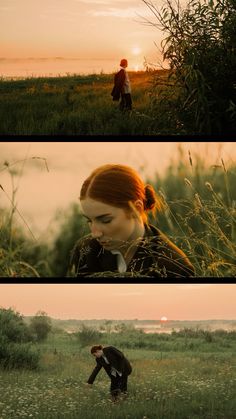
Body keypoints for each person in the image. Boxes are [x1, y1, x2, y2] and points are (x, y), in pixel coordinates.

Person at [68, 164, 195, 278]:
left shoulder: (173, 267)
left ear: (136, 209)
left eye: (106, 220)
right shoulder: (85, 250)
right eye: (89, 221)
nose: (95, 233)